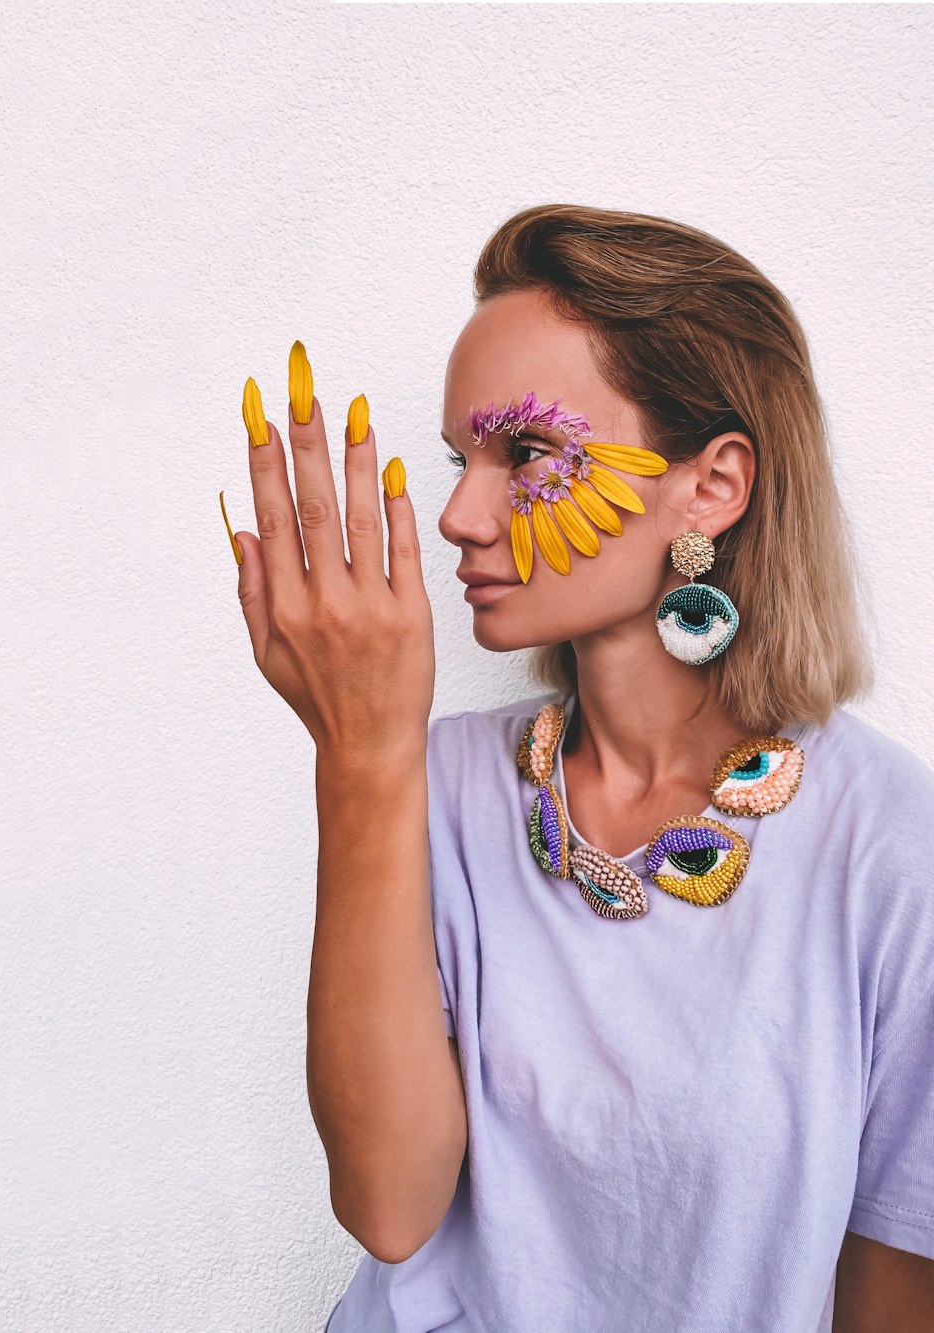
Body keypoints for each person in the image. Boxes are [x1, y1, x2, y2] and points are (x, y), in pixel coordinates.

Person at [223, 206, 934, 1331]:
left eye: (528, 452)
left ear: (711, 487)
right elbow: (391, 1209)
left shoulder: (889, 847)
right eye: (463, 458)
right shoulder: (433, 784)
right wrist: (359, 756)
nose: (459, 512)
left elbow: (893, 1295)